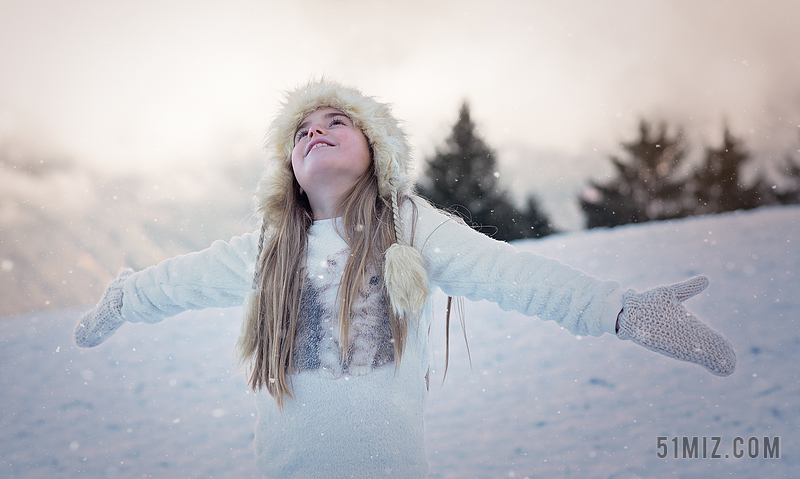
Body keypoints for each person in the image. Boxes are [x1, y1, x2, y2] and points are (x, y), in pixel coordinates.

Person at [74, 79, 736, 478]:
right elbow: (179, 281)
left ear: (376, 152)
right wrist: (124, 297)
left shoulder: (411, 227)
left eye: (337, 122)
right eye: (302, 130)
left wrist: (621, 309)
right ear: (289, 168)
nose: (317, 132)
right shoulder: (270, 250)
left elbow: (509, 273)